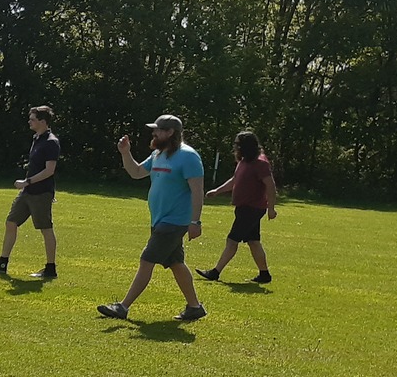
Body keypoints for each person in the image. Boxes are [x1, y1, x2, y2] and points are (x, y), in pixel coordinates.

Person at [97, 114, 207, 322]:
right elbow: (137, 172)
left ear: (170, 132)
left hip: (174, 221)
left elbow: (197, 191)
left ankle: (123, 307)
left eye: (157, 130)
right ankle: (195, 307)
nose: (154, 133)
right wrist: (125, 153)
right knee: (175, 263)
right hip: (159, 219)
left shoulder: (189, 156)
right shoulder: (159, 153)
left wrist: (195, 221)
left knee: (146, 260)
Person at [0, 105, 59, 278]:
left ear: (43, 122)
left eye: (32, 119)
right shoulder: (36, 138)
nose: (29, 121)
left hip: (41, 192)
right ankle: (2, 262)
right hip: (28, 191)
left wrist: (27, 181)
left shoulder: (51, 142)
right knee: (11, 222)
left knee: (45, 228)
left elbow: (49, 170)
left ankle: (50, 268)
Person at [197, 130, 277, 283]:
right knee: (253, 241)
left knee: (232, 240)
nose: (235, 147)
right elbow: (235, 180)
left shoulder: (261, 163)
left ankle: (215, 272)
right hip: (244, 208)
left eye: (237, 144)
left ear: (246, 146)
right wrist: (217, 191)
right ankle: (264, 274)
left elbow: (270, 186)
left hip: (252, 209)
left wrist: (271, 208)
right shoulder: (244, 161)